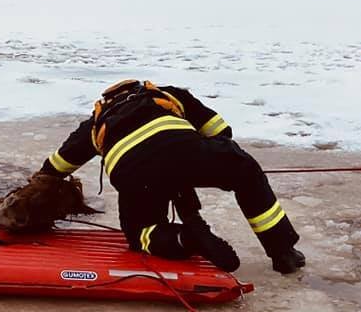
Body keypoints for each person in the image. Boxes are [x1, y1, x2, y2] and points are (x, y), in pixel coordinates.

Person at [28, 79, 305, 274]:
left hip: (133, 172)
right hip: (184, 147)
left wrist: (30, 196)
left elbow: (55, 167)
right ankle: (283, 252)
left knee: (140, 235)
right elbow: (221, 132)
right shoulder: (169, 94)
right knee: (246, 174)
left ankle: (187, 238)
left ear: (106, 101)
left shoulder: (94, 123)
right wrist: (194, 167)